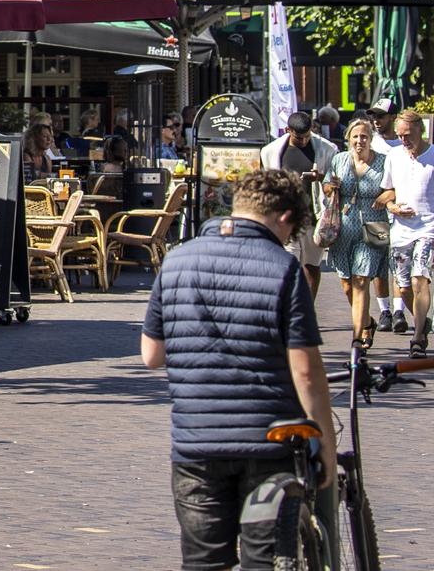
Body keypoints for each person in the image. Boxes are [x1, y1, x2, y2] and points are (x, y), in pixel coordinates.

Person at [141, 166, 336, 571]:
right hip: (269, 442)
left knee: (203, 562)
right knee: (263, 560)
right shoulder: (284, 270)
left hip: (197, 444)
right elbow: (305, 372)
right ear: (285, 218)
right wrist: (326, 448)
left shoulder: (176, 262)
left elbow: (152, 355)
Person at [379, 109, 434, 356]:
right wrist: (392, 206)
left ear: (420, 130)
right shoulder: (393, 156)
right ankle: (423, 322)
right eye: (400, 135)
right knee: (403, 287)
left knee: (419, 278)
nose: (404, 140)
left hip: (429, 227)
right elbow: (387, 192)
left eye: (408, 134)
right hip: (400, 229)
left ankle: (417, 338)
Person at [320, 118, 390, 346]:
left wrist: (387, 195)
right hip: (343, 226)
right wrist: (331, 187)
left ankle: (357, 337)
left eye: (364, 136)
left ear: (371, 139)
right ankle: (367, 321)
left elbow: (397, 187)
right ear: (348, 138)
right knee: (348, 285)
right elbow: (326, 186)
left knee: (362, 280)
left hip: (375, 226)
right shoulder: (339, 160)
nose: (360, 141)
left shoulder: (384, 162)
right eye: (356, 136)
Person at [259, 110, 339, 294]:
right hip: (286, 218)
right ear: (288, 130)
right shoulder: (270, 151)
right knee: (287, 266)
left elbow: (334, 182)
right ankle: (290, 309)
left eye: (306, 136)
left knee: (311, 266)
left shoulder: (326, 149)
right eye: (298, 137)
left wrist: (321, 177)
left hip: (314, 216)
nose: (303, 141)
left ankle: (308, 312)